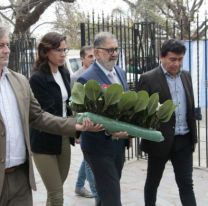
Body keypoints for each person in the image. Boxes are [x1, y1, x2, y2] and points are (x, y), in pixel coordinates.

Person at [0, 24, 102, 206]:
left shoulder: (53, 74)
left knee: (57, 190)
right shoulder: (36, 79)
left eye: (7, 45)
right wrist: (73, 125)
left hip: (47, 151)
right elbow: (43, 114)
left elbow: (51, 111)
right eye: (1, 46)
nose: (6, 50)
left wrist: (75, 127)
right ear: (46, 52)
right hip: (43, 142)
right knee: (56, 194)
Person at [137, 39, 197, 206]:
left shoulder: (186, 76)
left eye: (180, 59)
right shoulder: (147, 78)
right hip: (159, 140)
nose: (177, 63)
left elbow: (190, 107)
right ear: (162, 57)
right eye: (172, 59)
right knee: (152, 183)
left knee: (186, 184)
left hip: (184, 139)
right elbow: (140, 112)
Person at [77, 31, 130, 206]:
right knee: (112, 196)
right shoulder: (86, 78)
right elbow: (82, 114)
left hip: (119, 145)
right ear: (98, 52)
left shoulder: (121, 72)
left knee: (105, 193)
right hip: (98, 147)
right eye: (109, 50)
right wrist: (112, 130)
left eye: (116, 49)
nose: (114, 53)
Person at [73, 46, 98, 198]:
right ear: (82, 58)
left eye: (94, 56)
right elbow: (73, 105)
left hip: (96, 124)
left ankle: (79, 186)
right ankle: (96, 192)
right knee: (89, 159)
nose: (93, 59)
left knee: (86, 157)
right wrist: (77, 131)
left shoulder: (97, 74)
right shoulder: (76, 77)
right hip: (84, 125)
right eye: (90, 56)